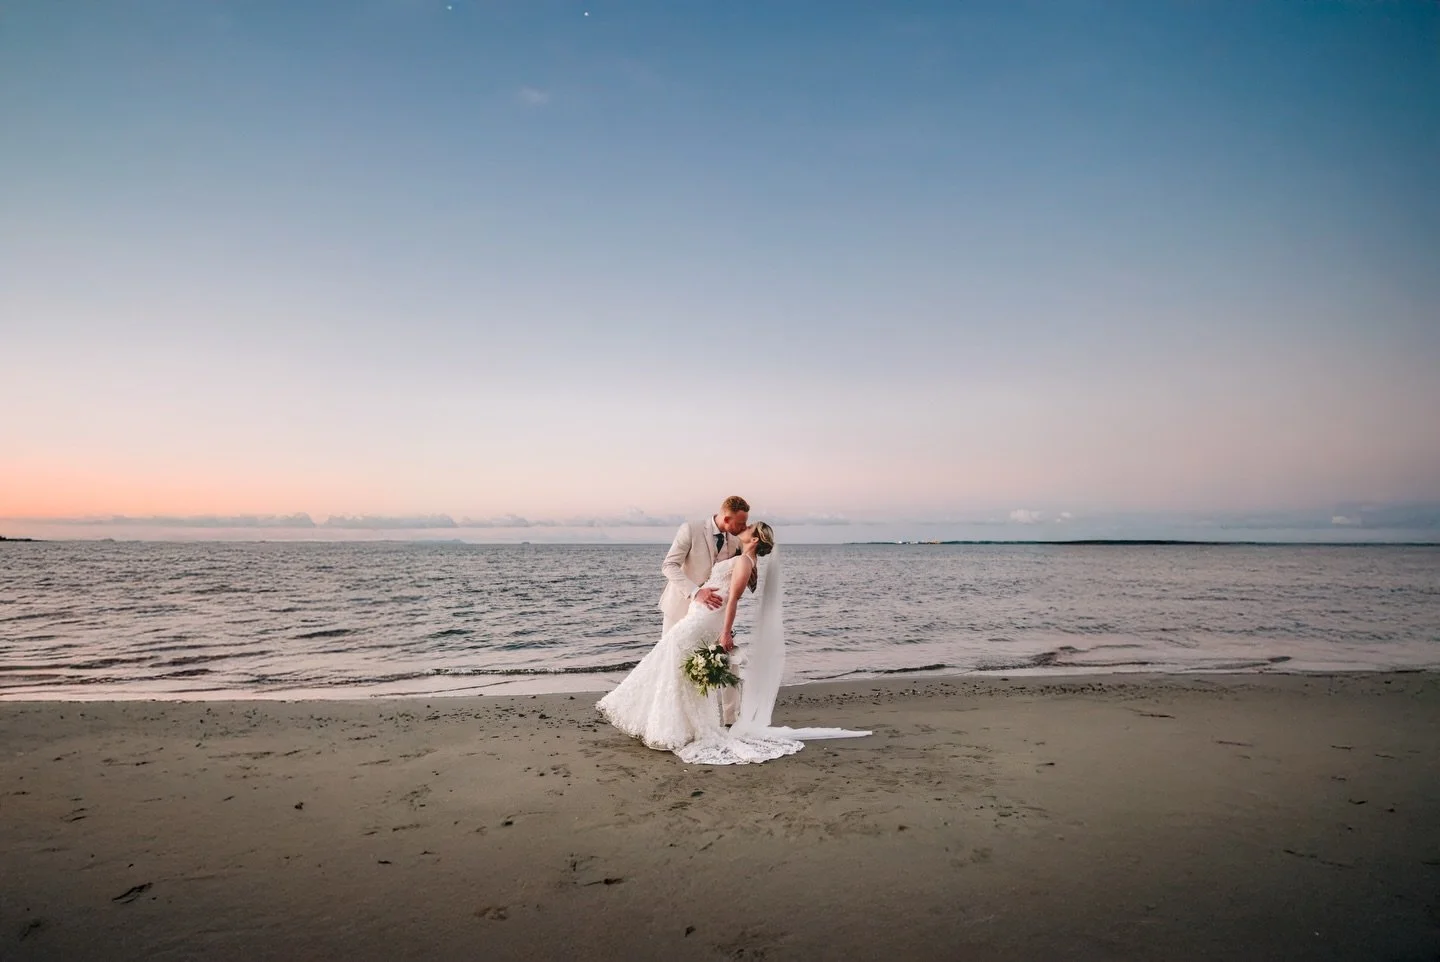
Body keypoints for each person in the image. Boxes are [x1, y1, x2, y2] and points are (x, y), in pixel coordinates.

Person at [598, 522, 869, 766]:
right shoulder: (742, 559)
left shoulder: (744, 562)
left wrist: (726, 633)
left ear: (753, 540)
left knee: (671, 654)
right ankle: (676, 725)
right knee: (675, 661)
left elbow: (733, 600)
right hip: (701, 612)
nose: (744, 528)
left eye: (748, 528)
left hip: (707, 618)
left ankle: (670, 726)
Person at [660, 496, 750, 723]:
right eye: (740, 523)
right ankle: (671, 719)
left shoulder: (737, 540)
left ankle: (732, 718)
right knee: (672, 664)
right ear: (727, 518)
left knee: (728, 659)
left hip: (714, 613)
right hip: (681, 607)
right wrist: (695, 592)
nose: (744, 528)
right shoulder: (690, 529)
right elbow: (669, 566)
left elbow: (741, 579)